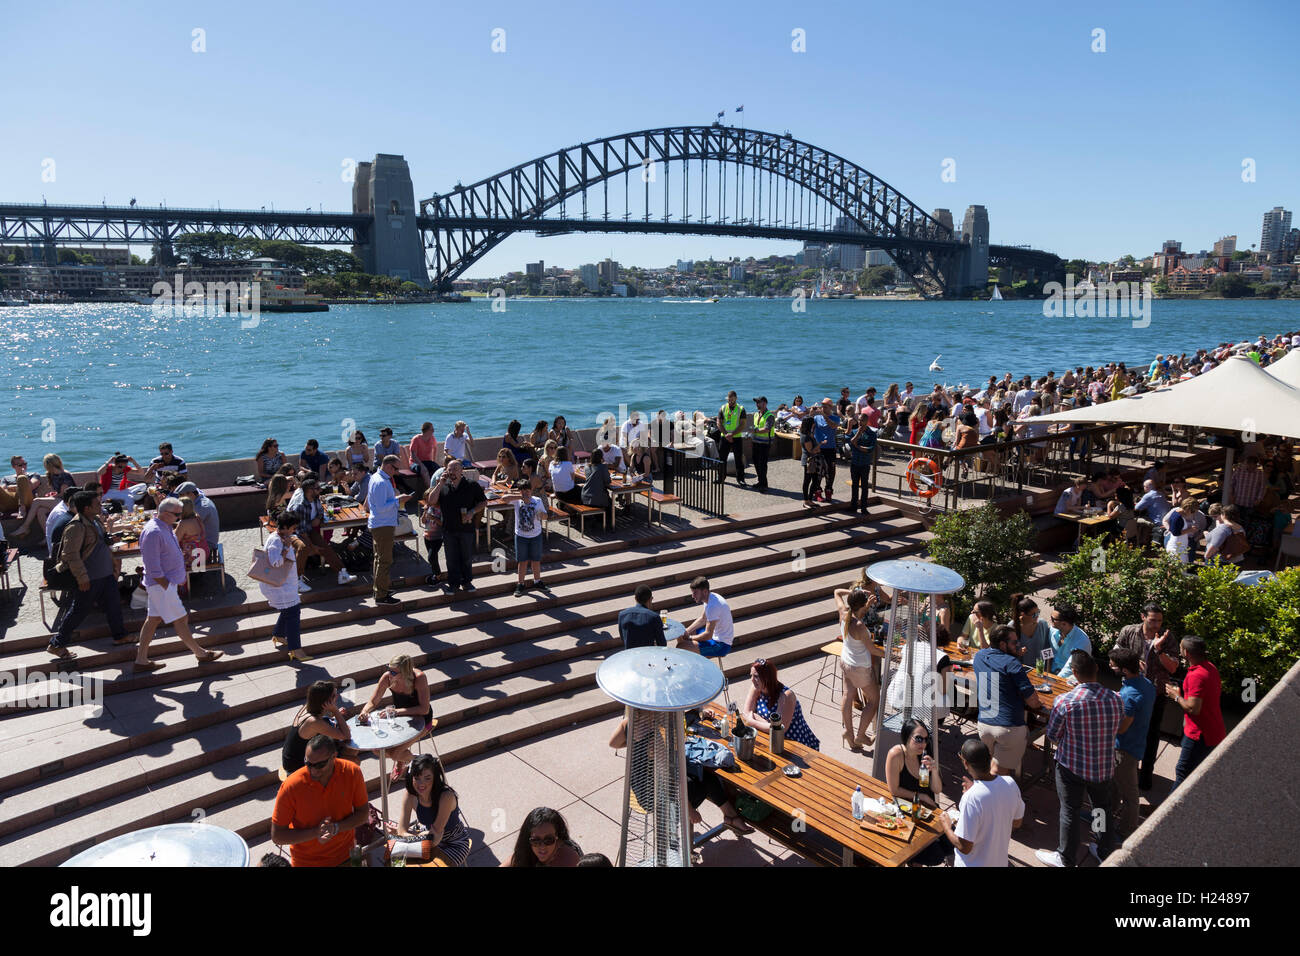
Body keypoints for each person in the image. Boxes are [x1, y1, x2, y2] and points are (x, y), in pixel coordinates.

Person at [1035, 650, 1123, 867]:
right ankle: (1104, 849)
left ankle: (1066, 857)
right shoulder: (1116, 699)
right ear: (1096, 670)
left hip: (1071, 768)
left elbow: (1053, 734)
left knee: (1070, 811)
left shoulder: (1065, 701)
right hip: (1103, 768)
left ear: (1074, 673)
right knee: (1102, 809)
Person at [609, 715, 753, 837]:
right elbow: (670, 779)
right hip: (655, 796)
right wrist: (689, 810)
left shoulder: (628, 722)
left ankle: (730, 816)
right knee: (702, 779)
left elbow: (613, 743)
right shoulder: (655, 736)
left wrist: (636, 746)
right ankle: (681, 842)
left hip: (639, 787)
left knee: (700, 772)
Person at [133, 497, 224, 672]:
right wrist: (168, 585)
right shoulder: (153, 532)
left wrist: (178, 574)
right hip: (162, 586)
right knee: (181, 619)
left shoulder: (163, 526)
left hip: (164, 584)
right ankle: (201, 653)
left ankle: (141, 660)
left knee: (152, 620)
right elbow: (153, 567)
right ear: (166, 513)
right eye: (177, 514)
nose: (179, 517)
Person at [49, 489, 127, 658]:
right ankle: (57, 644)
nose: (101, 505)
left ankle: (120, 636)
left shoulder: (96, 520)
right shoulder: (75, 527)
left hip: (105, 574)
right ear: (86, 508)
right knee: (78, 611)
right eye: (97, 503)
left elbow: (100, 543)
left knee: (114, 605)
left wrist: (111, 549)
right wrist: (82, 578)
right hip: (90, 577)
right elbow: (70, 555)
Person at [270, 735, 370, 867]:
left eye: (319, 765)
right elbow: (277, 836)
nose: (313, 770)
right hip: (307, 863)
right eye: (308, 764)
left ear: (334, 757)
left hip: (345, 856)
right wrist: (316, 832)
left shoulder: (352, 772)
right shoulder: (291, 786)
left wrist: (335, 828)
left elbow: (363, 814)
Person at [1112, 602, 1180, 791]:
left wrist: (1158, 651)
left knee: (1152, 734)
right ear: (1143, 617)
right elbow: (1115, 655)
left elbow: (1173, 668)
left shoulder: (1168, 638)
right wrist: (1130, 663)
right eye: (1152, 620)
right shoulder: (1129, 632)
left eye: (1159, 621)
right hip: (1133, 691)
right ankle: (1125, 771)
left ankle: (1145, 776)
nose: (1157, 624)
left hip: (1156, 693)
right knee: (1127, 731)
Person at [936, 738, 1025, 867]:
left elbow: (964, 846)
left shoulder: (971, 798)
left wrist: (947, 827)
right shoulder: (1010, 783)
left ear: (965, 763)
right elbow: (1017, 822)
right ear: (990, 757)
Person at [972, 625, 1045, 777]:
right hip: (1008, 728)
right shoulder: (1012, 664)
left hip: (984, 726)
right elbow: (1032, 701)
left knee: (989, 768)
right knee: (999, 775)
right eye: (1014, 642)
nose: (1018, 645)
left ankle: (984, 793)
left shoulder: (979, 656)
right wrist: (1040, 705)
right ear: (1003, 644)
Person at [1167, 635, 1226, 790]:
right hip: (1212, 730)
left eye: (1181, 648)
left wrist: (1176, 696)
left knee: (1183, 772)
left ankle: (1171, 812)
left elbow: (1194, 708)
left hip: (1199, 735)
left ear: (1186, 653)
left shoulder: (1196, 676)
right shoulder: (1210, 668)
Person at [391, 755, 472, 866]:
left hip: (454, 842)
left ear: (435, 778)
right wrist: (417, 835)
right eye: (417, 778)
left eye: (427, 778)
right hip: (426, 837)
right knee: (396, 862)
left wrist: (411, 835)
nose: (421, 784)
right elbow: (401, 831)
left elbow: (433, 839)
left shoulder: (446, 797)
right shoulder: (410, 795)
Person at [1108, 646, 1154, 838]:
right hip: (1135, 743)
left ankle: (1126, 831)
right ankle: (1104, 818)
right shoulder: (1147, 684)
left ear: (1124, 670)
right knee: (1114, 787)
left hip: (1124, 749)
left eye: (1113, 666)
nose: (1111, 667)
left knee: (1129, 794)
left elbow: (1121, 728)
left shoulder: (1130, 696)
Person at [361, 654, 433, 775]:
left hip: (422, 721)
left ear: (405, 672)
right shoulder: (387, 677)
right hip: (400, 720)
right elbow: (373, 701)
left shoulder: (419, 678)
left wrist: (397, 712)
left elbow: (424, 709)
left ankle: (422, 762)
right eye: (388, 669)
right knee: (377, 750)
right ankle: (409, 759)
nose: (390, 674)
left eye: (394, 672)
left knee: (395, 754)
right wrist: (364, 712)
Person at [284, 478, 355, 589]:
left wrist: (317, 518)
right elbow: (301, 531)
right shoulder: (300, 505)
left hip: (308, 529)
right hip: (292, 532)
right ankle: (296, 580)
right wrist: (313, 546)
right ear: (309, 491)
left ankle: (342, 574)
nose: (320, 490)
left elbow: (321, 511)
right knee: (303, 547)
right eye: (317, 488)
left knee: (325, 547)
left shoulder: (315, 499)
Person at [260, 511, 313, 661]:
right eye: (292, 527)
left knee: (288, 610)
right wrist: (286, 547)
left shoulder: (280, 537)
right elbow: (276, 562)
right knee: (293, 613)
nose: (294, 530)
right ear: (284, 527)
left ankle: (278, 634)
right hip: (279, 587)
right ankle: (295, 649)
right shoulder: (276, 541)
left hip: (283, 585)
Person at [832, 588, 880, 749]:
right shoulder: (859, 626)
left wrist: (853, 591)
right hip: (860, 668)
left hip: (846, 662)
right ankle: (860, 735)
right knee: (874, 700)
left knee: (848, 695)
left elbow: (837, 592)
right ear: (862, 604)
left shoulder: (844, 612)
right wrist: (893, 655)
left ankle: (848, 732)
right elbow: (873, 650)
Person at [431, 460, 486, 593]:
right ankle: (453, 584)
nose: (452, 472)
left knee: (466, 557)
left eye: (455, 469)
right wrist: (439, 485)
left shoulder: (471, 485)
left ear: (462, 471)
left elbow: (483, 502)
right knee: (451, 558)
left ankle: (466, 582)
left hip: (466, 529)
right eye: (449, 469)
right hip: (448, 529)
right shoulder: (443, 486)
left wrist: (472, 512)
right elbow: (431, 501)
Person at [742, 658, 820, 750]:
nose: (752, 680)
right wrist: (769, 725)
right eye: (751, 675)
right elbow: (746, 713)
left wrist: (753, 721)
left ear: (767, 677)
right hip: (770, 737)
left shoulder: (786, 696)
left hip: (793, 742)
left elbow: (779, 729)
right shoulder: (756, 687)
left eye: (756, 676)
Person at [365, 456, 412, 606]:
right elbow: (381, 507)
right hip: (383, 525)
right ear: (388, 466)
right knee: (385, 560)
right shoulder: (380, 482)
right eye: (396, 468)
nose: (397, 472)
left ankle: (380, 589)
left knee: (379, 558)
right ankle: (381, 595)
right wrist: (399, 500)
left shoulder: (377, 477)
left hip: (380, 524)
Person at [282, 681, 354, 774]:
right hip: (297, 766)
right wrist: (335, 711)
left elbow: (321, 722)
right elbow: (346, 735)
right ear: (326, 702)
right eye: (335, 695)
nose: (338, 696)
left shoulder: (308, 707)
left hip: (292, 758)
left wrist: (334, 715)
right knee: (354, 760)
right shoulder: (313, 722)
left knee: (351, 751)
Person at [501, 807, 581, 867]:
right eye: (536, 841)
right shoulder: (525, 850)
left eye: (549, 840)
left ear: (557, 838)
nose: (542, 846)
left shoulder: (569, 859)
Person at [677, 576, 733, 658]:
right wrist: (685, 631)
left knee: (681, 647)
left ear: (705, 591)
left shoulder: (713, 606)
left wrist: (689, 638)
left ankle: (694, 665)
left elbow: (708, 635)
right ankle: (694, 661)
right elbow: (703, 619)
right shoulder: (710, 598)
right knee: (681, 635)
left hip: (721, 645)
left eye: (695, 592)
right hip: (715, 636)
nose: (692, 596)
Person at [512, 480, 549, 596]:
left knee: (536, 560)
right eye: (523, 490)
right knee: (522, 561)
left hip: (535, 535)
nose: (526, 493)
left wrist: (542, 515)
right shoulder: (517, 501)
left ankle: (537, 581)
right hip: (521, 536)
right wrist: (520, 496)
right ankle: (520, 583)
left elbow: (545, 516)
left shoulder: (537, 501)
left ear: (531, 491)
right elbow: (504, 498)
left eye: (527, 490)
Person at [1047, 604, 1091, 682]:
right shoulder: (1052, 630)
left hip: (1070, 679)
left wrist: (1053, 681)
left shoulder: (1082, 641)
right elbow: (1048, 651)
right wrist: (1047, 671)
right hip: (1051, 673)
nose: (1050, 621)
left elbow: (1069, 668)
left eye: (1053, 619)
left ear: (1064, 623)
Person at [175, 482, 220, 554]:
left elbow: (185, 526)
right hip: (203, 543)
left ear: (191, 494)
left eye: (181, 495)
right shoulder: (200, 502)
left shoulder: (201, 507)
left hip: (207, 545)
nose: (179, 498)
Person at [618, 583, 666, 649]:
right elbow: (662, 644)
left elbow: (623, 638)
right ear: (651, 599)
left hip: (630, 656)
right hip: (648, 656)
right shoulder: (654, 617)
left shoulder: (622, 615)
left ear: (635, 598)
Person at [1008, 594, 1051, 668]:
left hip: (1040, 669)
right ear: (1022, 614)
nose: (1037, 616)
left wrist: (1048, 670)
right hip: (1020, 669)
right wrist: (1017, 653)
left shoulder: (1042, 624)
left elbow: (1047, 648)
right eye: (1034, 615)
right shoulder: (1011, 627)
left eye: (1038, 612)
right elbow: (1006, 652)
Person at [846, 412, 877, 514]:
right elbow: (851, 443)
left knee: (864, 487)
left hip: (864, 464)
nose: (860, 422)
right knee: (854, 485)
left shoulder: (872, 433)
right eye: (859, 420)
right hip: (855, 462)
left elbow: (870, 449)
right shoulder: (854, 431)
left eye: (862, 420)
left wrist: (858, 447)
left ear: (866, 421)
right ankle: (853, 506)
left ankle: (864, 507)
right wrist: (858, 434)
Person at [715, 391, 747, 486]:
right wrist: (726, 434)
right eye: (729, 399)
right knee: (722, 458)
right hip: (724, 437)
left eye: (732, 399)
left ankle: (741, 479)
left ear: (736, 398)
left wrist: (731, 434)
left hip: (736, 437)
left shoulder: (741, 409)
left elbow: (742, 424)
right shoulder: (723, 408)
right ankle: (720, 477)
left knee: (738, 459)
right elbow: (719, 423)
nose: (730, 401)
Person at [813, 398, 841, 498]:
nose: (823, 408)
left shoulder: (836, 418)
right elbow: (808, 426)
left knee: (831, 470)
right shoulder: (816, 418)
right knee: (818, 470)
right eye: (822, 406)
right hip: (819, 448)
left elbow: (833, 426)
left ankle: (829, 489)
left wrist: (824, 415)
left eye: (825, 406)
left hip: (830, 447)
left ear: (830, 407)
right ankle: (817, 490)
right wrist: (811, 413)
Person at [581, 447, 614, 528]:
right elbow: (608, 481)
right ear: (601, 457)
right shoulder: (603, 467)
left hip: (585, 496)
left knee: (606, 499)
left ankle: (597, 517)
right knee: (610, 502)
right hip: (597, 497)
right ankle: (609, 523)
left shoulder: (586, 467)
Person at [747, 396, 775, 492]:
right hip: (755, 442)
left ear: (765, 403)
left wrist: (755, 430)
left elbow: (766, 429)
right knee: (756, 462)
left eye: (759, 402)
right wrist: (751, 440)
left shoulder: (769, 415)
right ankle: (760, 481)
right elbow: (754, 428)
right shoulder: (756, 414)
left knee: (762, 464)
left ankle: (764, 484)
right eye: (757, 403)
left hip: (765, 443)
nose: (757, 404)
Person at [419, 486, 444, 586]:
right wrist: (425, 512)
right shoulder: (429, 508)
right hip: (427, 536)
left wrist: (433, 517)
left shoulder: (441, 508)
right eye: (426, 500)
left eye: (429, 499)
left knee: (431, 557)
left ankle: (438, 576)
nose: (427, 502)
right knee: (433, 557)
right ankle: (435, 572)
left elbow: (443, 523)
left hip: (437, 537)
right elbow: (423, 521)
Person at [799, 416, 825, 507]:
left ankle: (809, 499)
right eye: (813, 423)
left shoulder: (809, 434)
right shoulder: (806, 437)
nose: (814, 424)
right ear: (810, 424)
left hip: (813, 460)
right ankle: (806, 501)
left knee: (814, 480)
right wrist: (820, 444)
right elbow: (811, 451)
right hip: (809, 461)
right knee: (807, 480)